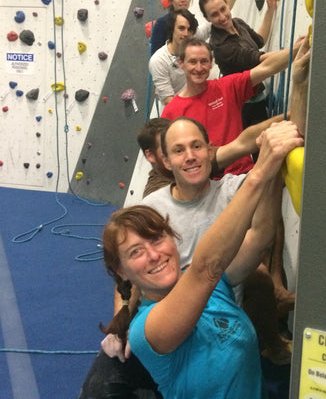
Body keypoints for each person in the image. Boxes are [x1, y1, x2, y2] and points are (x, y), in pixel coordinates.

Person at [94, 121, 304, 398]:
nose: (154, 254)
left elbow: (261, 235)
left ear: (173, 238)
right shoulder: (147, 330)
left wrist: (272, 168)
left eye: (157, 239)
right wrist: (261, 169)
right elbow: (205, 268)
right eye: (136, 252)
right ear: (121, 271)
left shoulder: (216, 285)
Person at [161, 35, 304, 176]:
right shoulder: (171, 112)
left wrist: (300, 48)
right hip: (207, 184)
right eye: (192, 62)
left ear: (211, 64)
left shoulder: (226, 87)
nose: (199, 68)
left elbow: (267, 67)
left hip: (244, 176)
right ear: (181, 63)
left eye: (204, 61)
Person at [137, 113, 288, 198]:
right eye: (177, 150)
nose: (189, 156)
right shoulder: (156, 196)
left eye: (194, 146)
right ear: (151, 156)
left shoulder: (196, 159)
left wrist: (290, 116)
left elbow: (242, 143)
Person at [198, 0, 278, 130]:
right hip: (242, 106)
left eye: (223, 9)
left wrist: (270, 9)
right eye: (215, 14)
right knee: (260, 147)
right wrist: (296, 51)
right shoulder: (221, 46)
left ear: (227, 5)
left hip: (256, 96)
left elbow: (260, 40)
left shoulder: (238, 23)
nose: (222, 17)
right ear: (207, 18)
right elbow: (259, 58)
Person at [150, 0, 256, 55]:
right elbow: (155, 56)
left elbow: (220, 12)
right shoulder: (162, 23)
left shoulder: (193, 22)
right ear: (171, 1)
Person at [149, 10, 199, 106]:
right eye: (181, 28)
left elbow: (211, 22)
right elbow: (168, 100)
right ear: (172, 29)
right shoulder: (158, 60)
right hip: (178, 113)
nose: (186, 34)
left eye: (189, 30)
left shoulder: (194, 49)